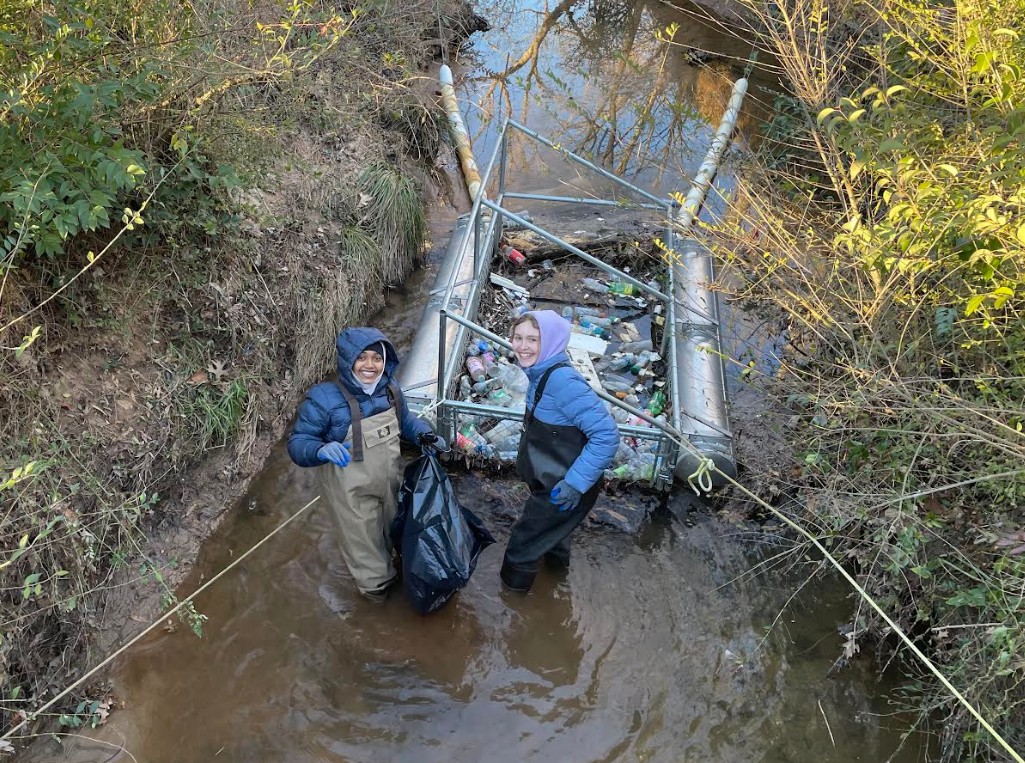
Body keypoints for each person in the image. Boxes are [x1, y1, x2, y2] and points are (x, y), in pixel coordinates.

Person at [288, 327, 445, 602]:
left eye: (377, 358)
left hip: (391, 482)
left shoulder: (391, 390)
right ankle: (378, 600)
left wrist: (424, 434)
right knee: (367, 556)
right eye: (361, 358)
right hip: (351, 494)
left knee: (398, 536)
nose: (370, 365)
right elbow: (298, 443)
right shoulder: (324, 399)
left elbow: (406, 421)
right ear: (347, 360)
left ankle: (401, 579)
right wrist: (320, 449)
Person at [501, 310, 619, 592]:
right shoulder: (539, 371)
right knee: (553, 536)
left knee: (522, 546)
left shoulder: (562, 381)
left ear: (551, 342)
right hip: (551, 479)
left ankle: (512, 602)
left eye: (533, 339)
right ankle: (556, 586)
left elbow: (606, 435)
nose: (522, 346)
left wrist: (575, 483)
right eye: (518, 338)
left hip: (564, 486)